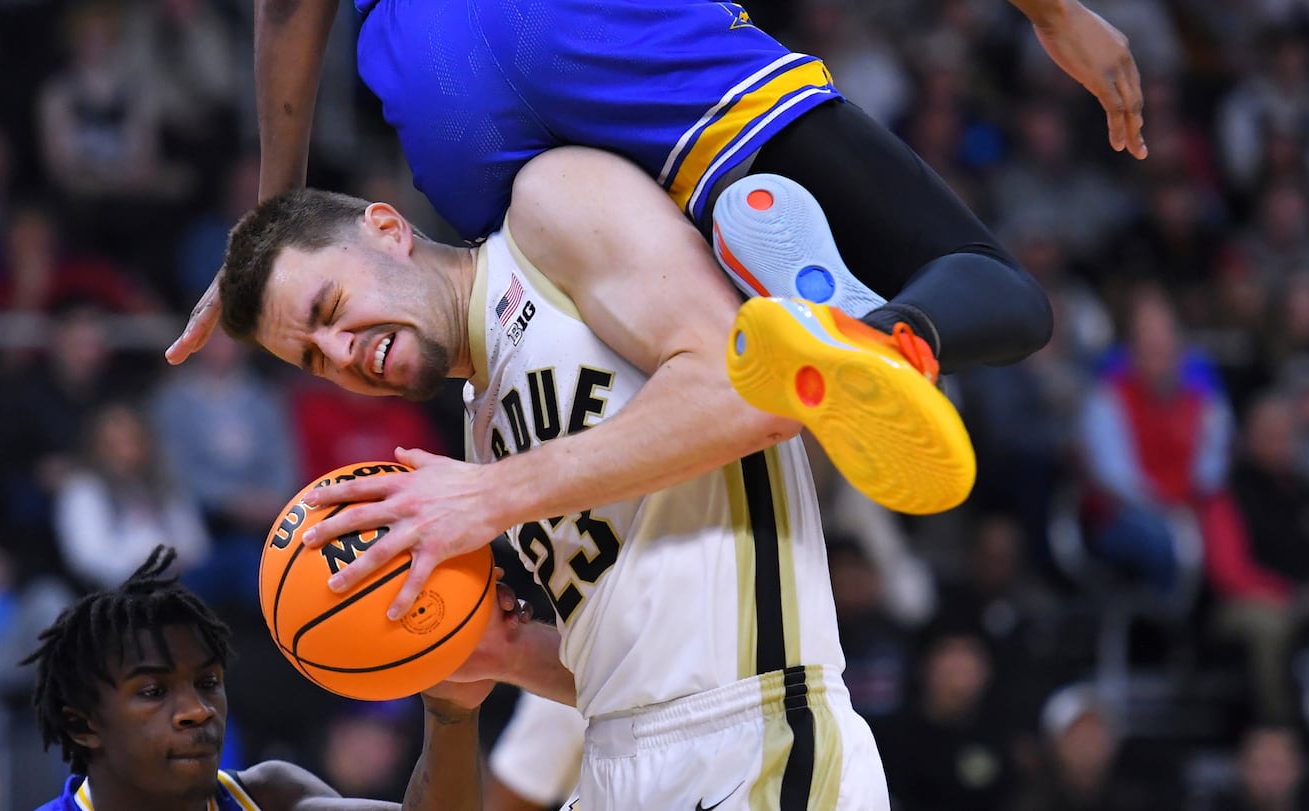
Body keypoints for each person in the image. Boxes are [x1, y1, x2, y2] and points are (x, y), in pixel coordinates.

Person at [169, 0, 1147, 446]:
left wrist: (274, 219)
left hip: (429, 67)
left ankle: (738, 260)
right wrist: (1047, 1)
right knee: (995, 289)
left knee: (600, 367)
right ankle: (869, 328)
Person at [219, 147, 896, 808]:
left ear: (388, 229)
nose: (341, 353)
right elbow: (631, 674)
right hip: (615, 756)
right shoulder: (481, 427)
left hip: (757, 743)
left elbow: (757, 393)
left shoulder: (549, 211)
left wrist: (491, 493)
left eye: (330, 307)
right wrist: (502, 652)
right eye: (313, 357)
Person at [22, 545, 504, 811]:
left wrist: (451, 712)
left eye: (208, 683)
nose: (197, 710)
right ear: (84, 724)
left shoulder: (270, 797)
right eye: (152, 691)